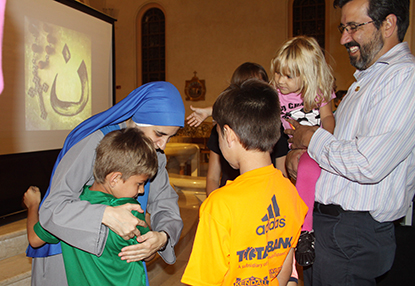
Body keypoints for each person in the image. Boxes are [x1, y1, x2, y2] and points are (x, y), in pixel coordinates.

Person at [285, 0, 415, 284]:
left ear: (388, 25)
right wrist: (303, 156)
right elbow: (340, 150)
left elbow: (368, 163)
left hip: (352, 231)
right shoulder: (368, 81)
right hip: (333, 230)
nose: (344, 38)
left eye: (353, 27)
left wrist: (310, 137)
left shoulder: (403, 77)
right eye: (343, 28)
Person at [27, 81, 185, 286]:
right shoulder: (96, 142)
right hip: (70, 256)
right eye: (159, 134)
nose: (163, 145)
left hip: (113, 262)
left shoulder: (156, 154)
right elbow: (53, 207)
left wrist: (162, 238)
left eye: (170, 138)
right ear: (140, 118)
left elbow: (166, 205)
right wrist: (106, 215)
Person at [181, 79, 308, 286]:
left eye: (219, 134)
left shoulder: (220, 205)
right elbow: (287, 260)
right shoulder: (290, 191)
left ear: (229, 135)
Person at [24, 128, 158, 285]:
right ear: (115, 179)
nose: (141, 191)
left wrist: (33, 205)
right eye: (139, 183)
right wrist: (148, 225)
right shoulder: (129, 211)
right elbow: (149, 254)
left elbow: (34, 239)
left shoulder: (69, 211)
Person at [269, 35, 336, 267]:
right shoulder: (275, 94)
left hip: (313, 150)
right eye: (278, 73)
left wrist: (321, 140)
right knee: (281, 188)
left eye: (288, 75)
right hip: (285, 152)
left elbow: (328, 119)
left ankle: (306, 232)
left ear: (307, 74)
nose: (280, 80)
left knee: (306, 170)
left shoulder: (317, 93)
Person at [187, 62, 289, 196]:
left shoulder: (275, 127)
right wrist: (214, 203)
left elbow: (282, 175)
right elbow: (212, 177)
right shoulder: (221, 130)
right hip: (228, 198)